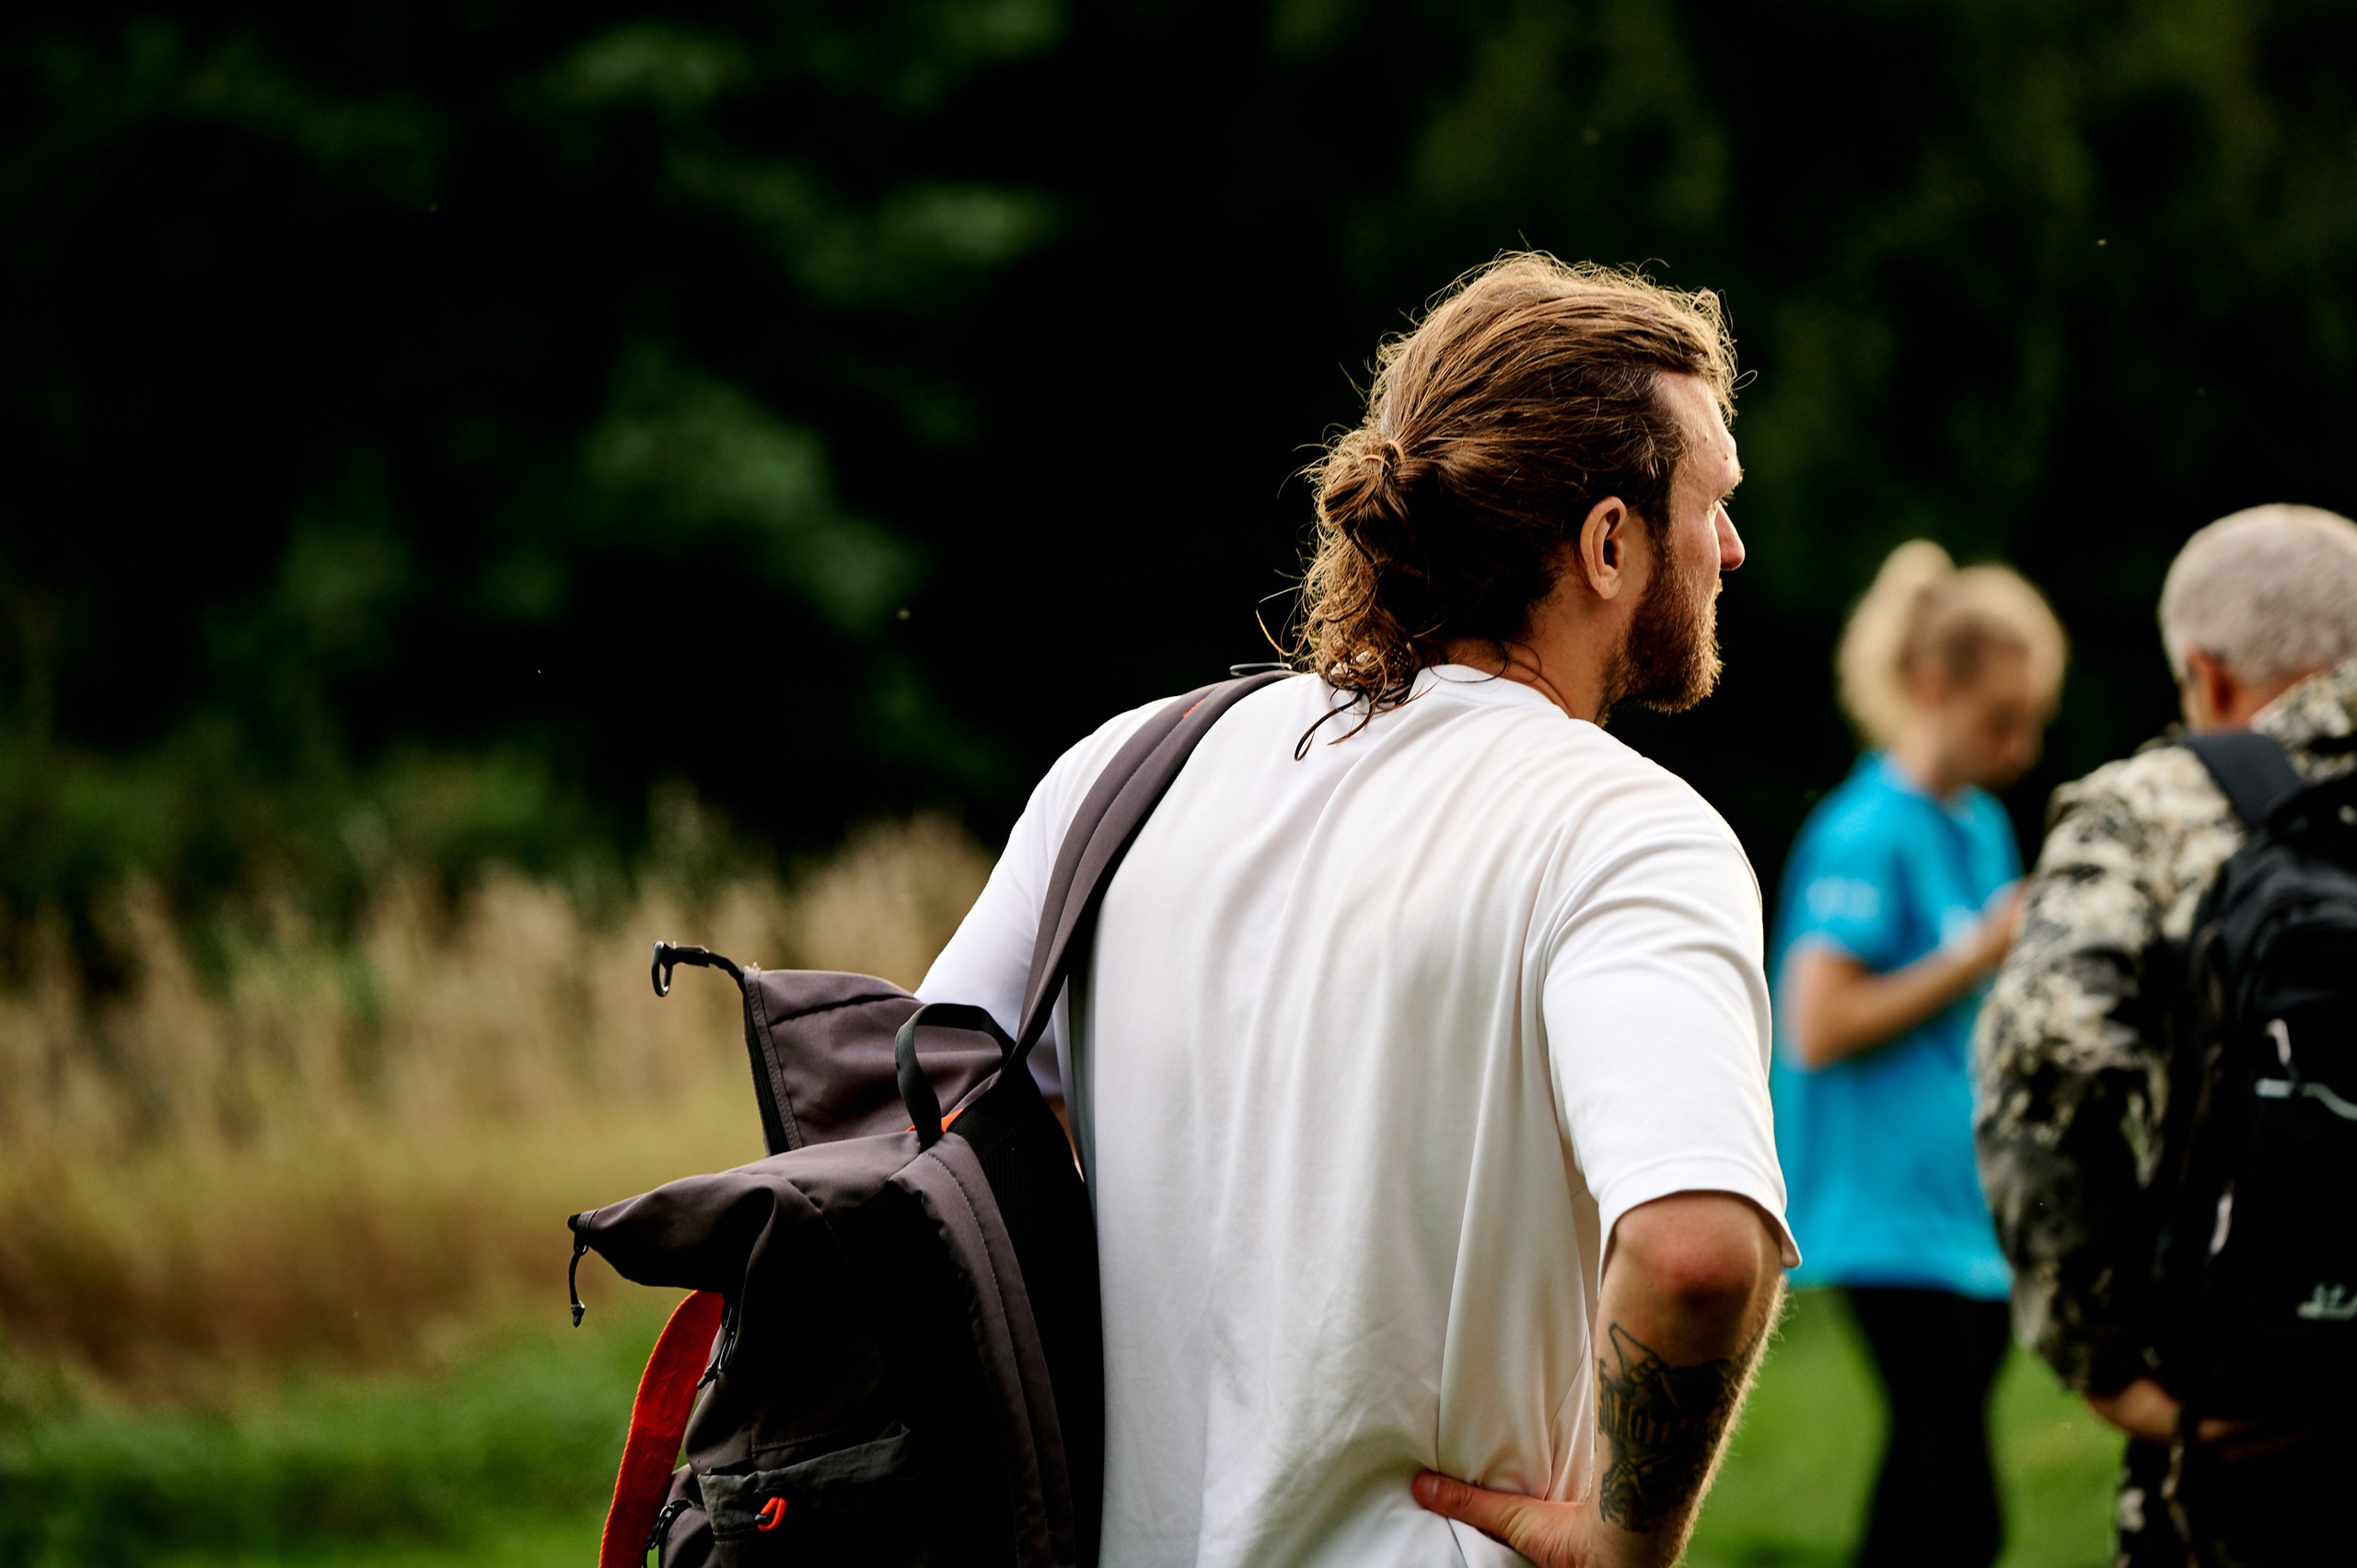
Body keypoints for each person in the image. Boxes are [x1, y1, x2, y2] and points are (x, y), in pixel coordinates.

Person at [918, 254, 1794, 1568]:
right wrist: (1626, 1535)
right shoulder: (1624, 829)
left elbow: (930, 1117)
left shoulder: (1126, 770)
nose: (1730, 546)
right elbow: (1695, 1254)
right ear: (1607, 544)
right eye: (1710, 503)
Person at [1976, 504, 2357, 1566]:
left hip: (2247, 1429)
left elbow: (2052, 1060)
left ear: (2208, 673)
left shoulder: (2151, 808)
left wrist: (2103, 1362)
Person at [1768, 541, 2064, 1568]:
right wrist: (1982, 948)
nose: (2021, 746)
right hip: (1880, 1214)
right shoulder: (1864, 833)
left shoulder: (1979, 826)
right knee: (1949, 1491)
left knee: (1947, 1492)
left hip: (1961, 1216)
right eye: (2000, 718)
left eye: (2032, 719)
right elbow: (1814, 1022)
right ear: (1932, 688)